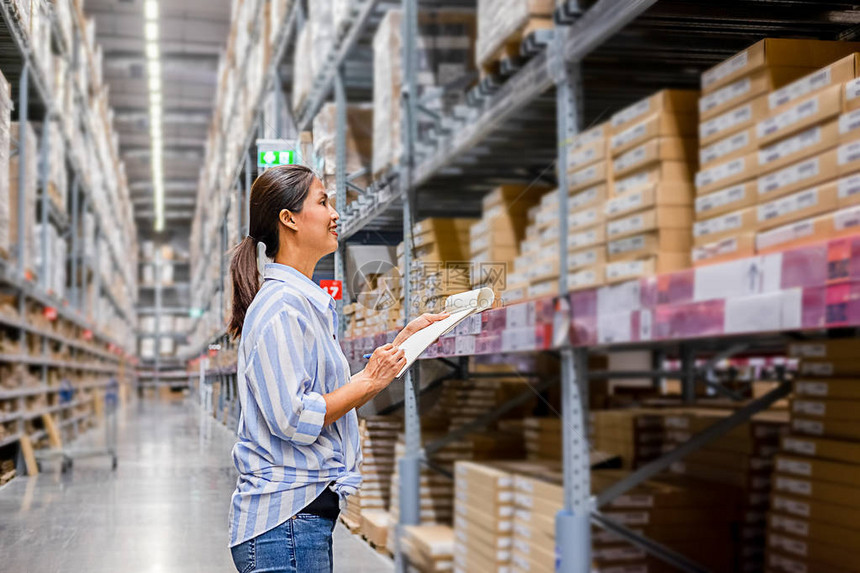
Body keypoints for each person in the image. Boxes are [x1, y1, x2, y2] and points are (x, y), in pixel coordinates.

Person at [226, 164, 446, 573]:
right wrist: (368, 381)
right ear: (288, 219)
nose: (334, 213)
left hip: (296, 522)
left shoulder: (301, 305)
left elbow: (324, 389)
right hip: (283, 525)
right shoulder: (280, 308)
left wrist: (405, 342)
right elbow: (292, 417)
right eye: (323, 202)